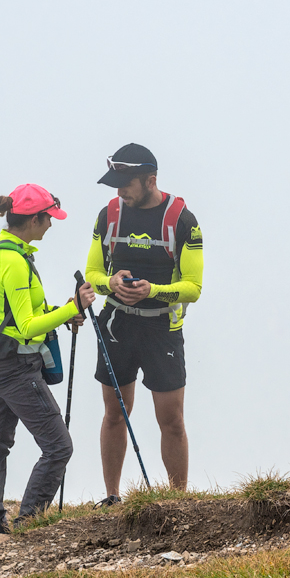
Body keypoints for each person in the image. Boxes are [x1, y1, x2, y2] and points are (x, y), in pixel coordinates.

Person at [0, 183, 95, 552]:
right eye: (49, 219)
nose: (51, 226)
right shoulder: (12, 261)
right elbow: (26, 326)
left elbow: (16, 317)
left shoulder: (3, 251)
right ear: (33, 219)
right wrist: (73, 308)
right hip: (15, 366)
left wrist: (61, 315)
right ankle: (28, 526)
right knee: (58, 447)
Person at [85, 143, 204, 505]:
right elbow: (92, 273)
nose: (119, 192)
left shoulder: (183, 220)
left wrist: (153, 290)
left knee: (171, 420)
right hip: (117, 325)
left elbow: (193, 289)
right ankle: (111, 497)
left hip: (161, 330)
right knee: (114, 414)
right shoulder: (109, 215)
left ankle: (177, 500)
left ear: (151, 180)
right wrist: (111, 284)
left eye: (127, 184)